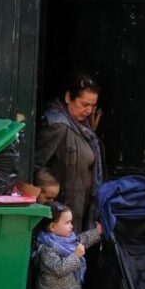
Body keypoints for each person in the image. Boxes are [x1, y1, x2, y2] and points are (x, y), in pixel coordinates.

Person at [32, 71, 106, 233]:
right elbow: (35, 164)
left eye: (92, 106)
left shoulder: (82, 127)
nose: (89, 110)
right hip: (60, 216)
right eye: (84, 104)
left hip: (77, 211)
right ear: (68, 97)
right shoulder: (57, 125)